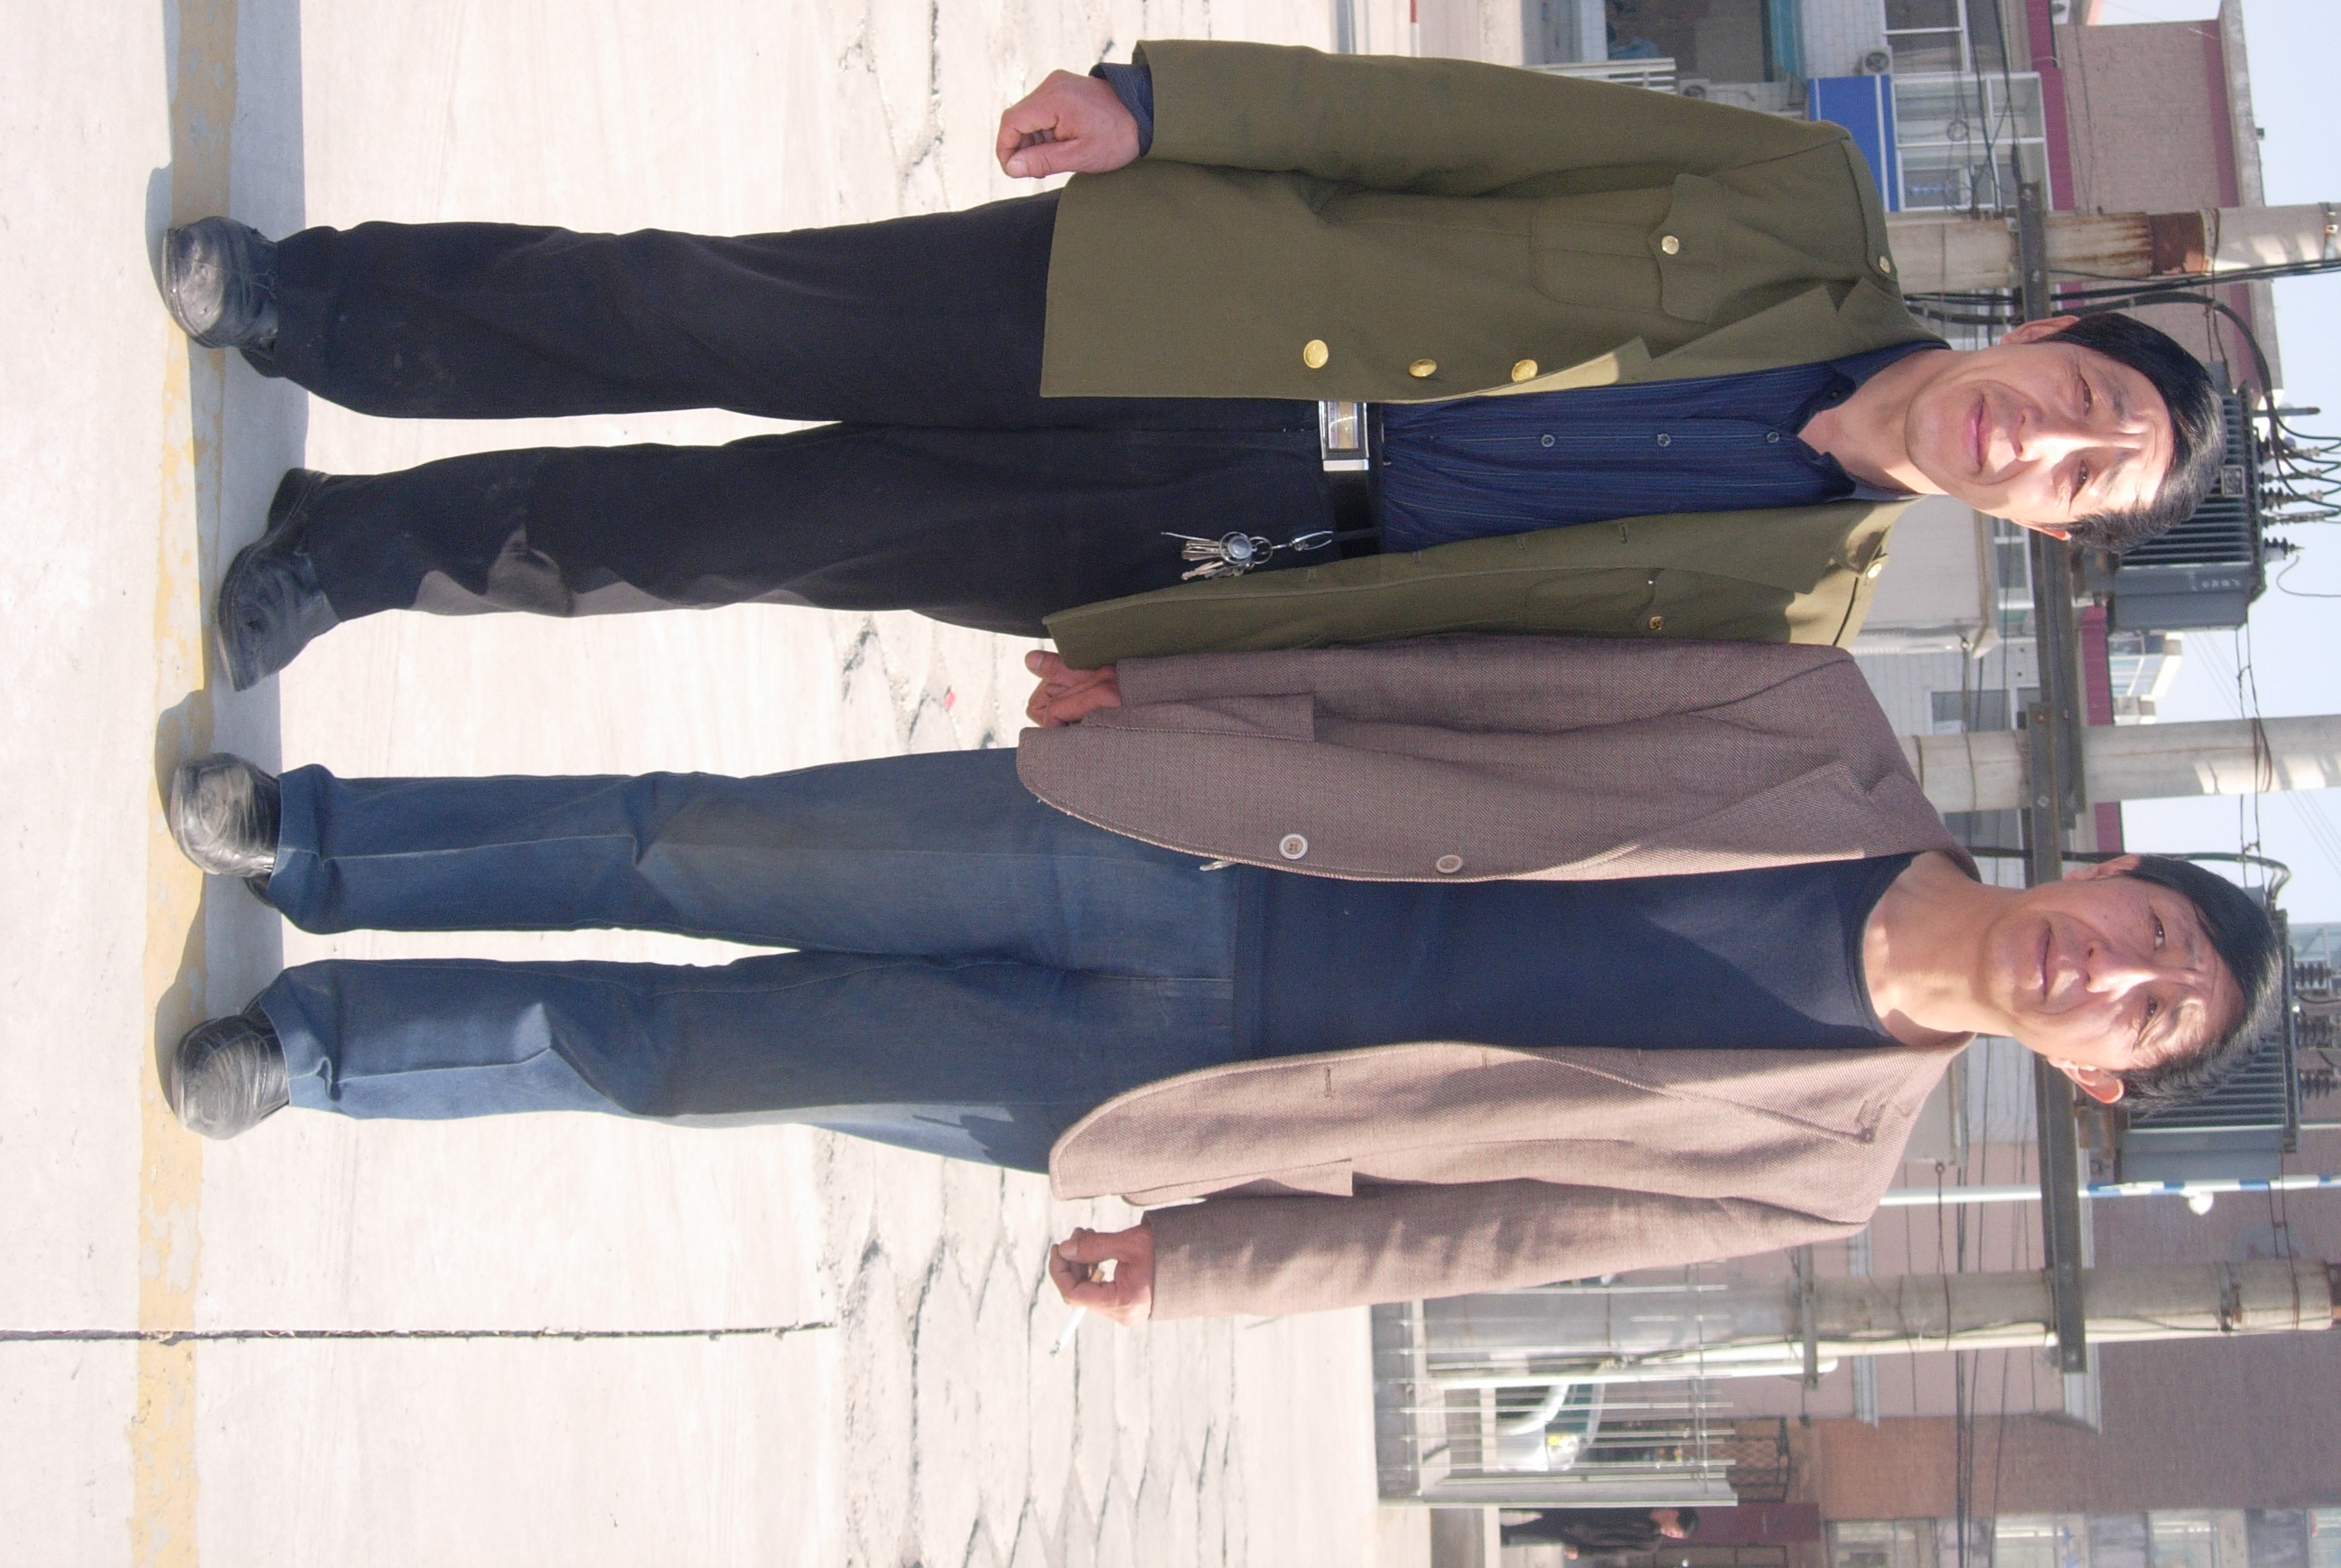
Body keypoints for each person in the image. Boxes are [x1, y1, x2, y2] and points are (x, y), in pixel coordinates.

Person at [163, 636, 2279, 1324]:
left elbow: (1476, 1232)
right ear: (2107, 867)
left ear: (2099, 1081)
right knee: (698, 840)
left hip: (1170, 1079)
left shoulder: (1818, 1167)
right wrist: (1182, 689)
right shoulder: (1816, 725)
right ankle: (320, 840)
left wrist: (1207, 1262)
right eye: (2156, 931)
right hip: (1172, 831)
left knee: (697, 1056)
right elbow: (1474, 681)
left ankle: (316, 1046)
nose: (2121, 971)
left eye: (2152, 1013)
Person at [155, 42, 2225, 689]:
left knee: (738, 540)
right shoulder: (1792, 197)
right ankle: (312, 306)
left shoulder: (1789, 621)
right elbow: (1454, 125)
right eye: (2088, 399)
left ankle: (351, 554)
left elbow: (1463, 682)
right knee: (702, 308)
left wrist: (1167, 693)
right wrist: (1167, 106)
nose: (2046, 440)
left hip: (1222, 543)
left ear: (2050, 533)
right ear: (2047, 332)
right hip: (1171, 302)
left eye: (2086, 477)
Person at [1498, 1507, 1699, 1557]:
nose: (1672, 1534)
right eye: (1676, 1530)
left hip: (1579, 1533)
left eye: (1676, 1535)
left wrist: (1583, 1552)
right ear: (1674, 1514)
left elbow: (1614, 1551)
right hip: (1579, 1509)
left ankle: (1501, 1535)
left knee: (1520, 1535)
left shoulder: (1649, 1543)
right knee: (1522, 1502)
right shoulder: (1643, 1503)